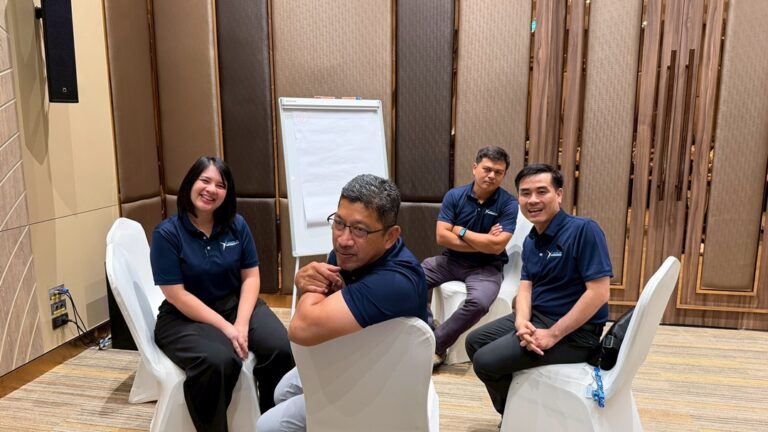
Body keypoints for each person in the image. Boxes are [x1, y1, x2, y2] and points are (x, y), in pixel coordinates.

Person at [257, 174, 428, 432]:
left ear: (390, 236)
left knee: (267, 427)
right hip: (351, 354)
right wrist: (311, 282)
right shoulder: (349, 256)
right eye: (339, 223)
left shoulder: (396, 282)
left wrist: (307, 284)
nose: (343, 240)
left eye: (360, 230)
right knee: (283, 391)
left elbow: (301, 329)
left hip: (380, 380)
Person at [150, 156, 294, 432]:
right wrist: (228, 329)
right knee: (219, 360)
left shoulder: (236, 225)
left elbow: (251, 277)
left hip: (236, 305)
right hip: (184, 317)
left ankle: (273, 423)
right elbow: (177, 296)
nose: (211, 189)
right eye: (205, 180)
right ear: (190, 184)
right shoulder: (167, 234)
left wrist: (241, 323)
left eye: (220, 185)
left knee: (280, 348)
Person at [466, 164, 612, 418]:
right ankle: (518, 414)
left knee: (485, 362)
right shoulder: (531, 239)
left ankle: (523, 417)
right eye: (525, 193)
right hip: (538, 318)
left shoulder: (584, 230)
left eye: (541, 192)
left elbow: (599, 293)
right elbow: (525, 288)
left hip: (576, 334)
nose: (532, 200)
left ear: (559, 194)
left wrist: (553, 335)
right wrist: (521, 322)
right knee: (475, 341)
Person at [423, 146, 519, 367]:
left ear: (504, 175)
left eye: (498, 172)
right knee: (411, 279)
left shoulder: (509, 204)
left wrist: (461, 231)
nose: (491, 175)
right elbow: (442, 237)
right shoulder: (454, 196)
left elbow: (497, 247)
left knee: (479, 303)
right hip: (450, 261)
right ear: (475, 168)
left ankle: (436, 343)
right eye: (487, 169)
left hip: (486, 267)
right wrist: (484, 242)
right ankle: (428, 328)